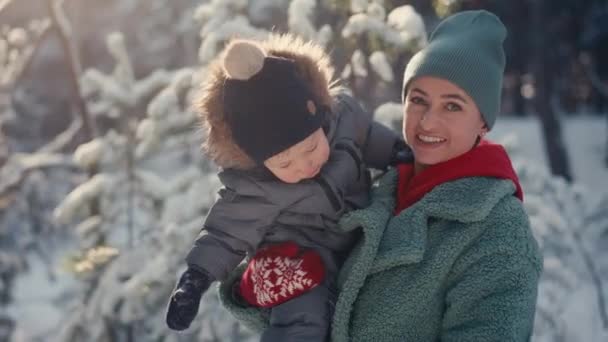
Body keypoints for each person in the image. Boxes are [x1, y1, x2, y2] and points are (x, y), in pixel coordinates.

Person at [219, 10, 543, 342]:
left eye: (452, 106)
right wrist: (259, 289)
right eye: (418, 100)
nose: (428, 122)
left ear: (484, 123)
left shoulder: (498, 232)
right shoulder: (377, 191)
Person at [165, 33, 410, 342]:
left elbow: (369, 135)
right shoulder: (254, 187)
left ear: (320, 118)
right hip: (300, 255)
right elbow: (224, 233)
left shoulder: (342, 118)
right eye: (284, 164)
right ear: (259, 162)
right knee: (301, 314)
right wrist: (195, 279)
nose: (304, 166)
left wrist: (395, 151)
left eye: (310, 149)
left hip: (358, 228)